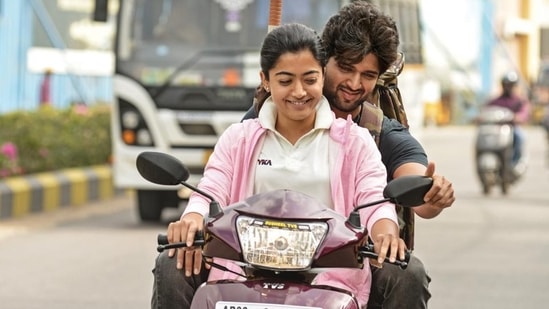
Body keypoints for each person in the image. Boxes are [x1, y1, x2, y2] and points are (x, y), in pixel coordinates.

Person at [151, 22, 405, 308]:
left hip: (330, 278)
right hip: (241, 273)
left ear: (323, 76)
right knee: (172, 262)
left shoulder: (355, 142)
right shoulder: (240, 138)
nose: (299, 92)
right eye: (285, 81)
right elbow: (210, 190)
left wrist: (386, 234)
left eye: (309, 79)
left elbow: (374, 200)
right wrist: (191, 221)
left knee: (407, 272)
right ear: (266, 80)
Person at [243, 2, 455, 308]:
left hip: (346, 267)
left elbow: (415, 189)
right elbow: (221, 184)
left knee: (408, 273)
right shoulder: (263, 118)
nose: (354, 84)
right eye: (345, 68)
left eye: (367, 75)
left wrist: (430, 195)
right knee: (176, 260)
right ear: (322, 60)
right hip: (259, 255)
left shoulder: (376, 135)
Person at [486, 71, 530, 167]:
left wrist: (518, 117)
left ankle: (515, 163)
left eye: (510, 85)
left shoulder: (520, 100)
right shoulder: (495, 101)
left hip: (512, 128)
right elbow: (486, 111)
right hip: (497, 129)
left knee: (520, 137)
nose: (508, 87)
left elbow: (524, 113)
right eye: (506, 85)